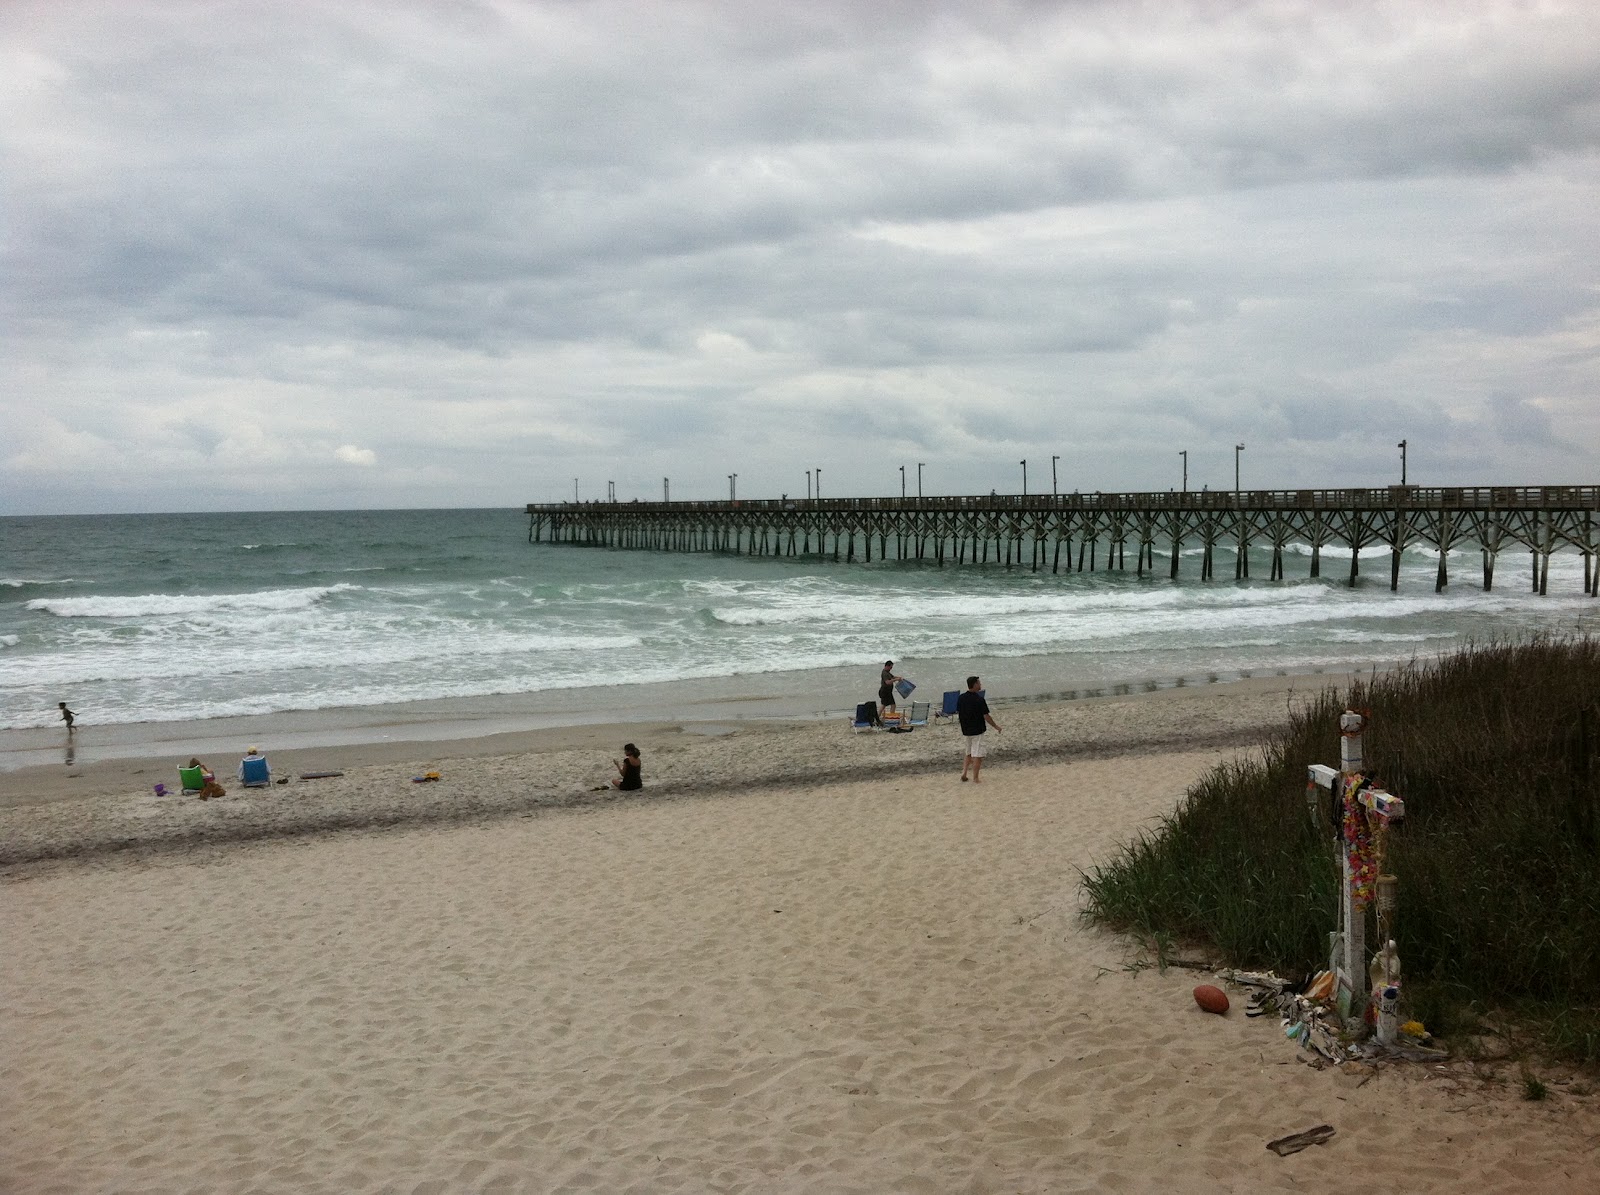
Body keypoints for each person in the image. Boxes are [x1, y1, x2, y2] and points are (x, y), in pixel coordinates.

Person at [957, 675, 1002, 783]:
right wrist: (996, 726)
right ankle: (976, 778)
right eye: (979, 683)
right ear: (975, 684)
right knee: (978, 755)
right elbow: (986, 716)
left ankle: (964, 773)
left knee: (968, 752)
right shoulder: (979, 699)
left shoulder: (961, 697)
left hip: (966, 729)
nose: (980, 684)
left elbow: (959, 712)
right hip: (977, 729)